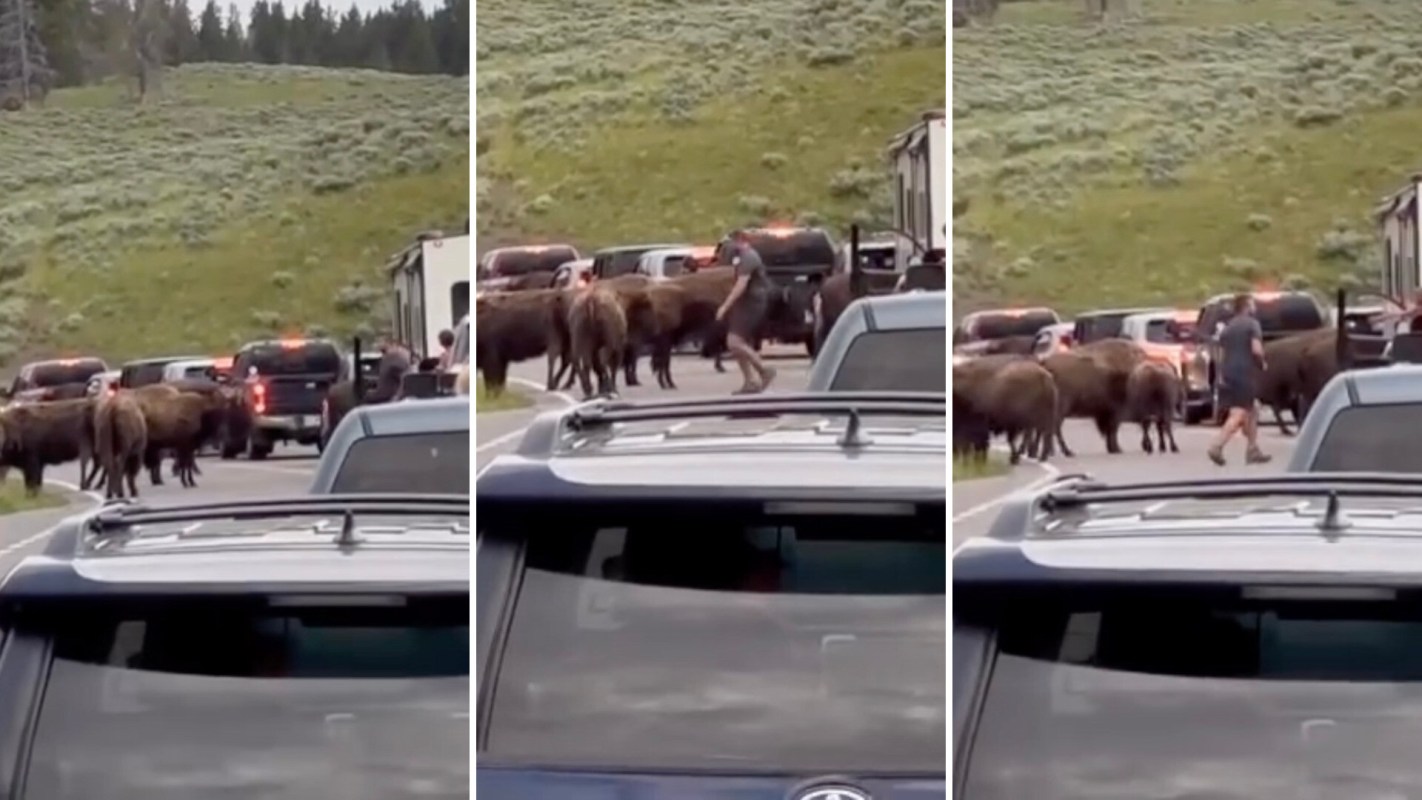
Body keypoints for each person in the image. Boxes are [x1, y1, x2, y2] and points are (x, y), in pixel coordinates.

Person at [1207, 293, 1271, 466]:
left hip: (1228, 373)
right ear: (1246, 307)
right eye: (1252, 304)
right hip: (1244, 373)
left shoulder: (1228, 328)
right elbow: (1256, 350)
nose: (1255, 307)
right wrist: (1262, 363)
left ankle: (1252, 449)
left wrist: (1220, 375)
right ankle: (1216, 446)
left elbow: (1220, 353)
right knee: (1239, 413)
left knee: (1253, 408)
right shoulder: (1252, 325)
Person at [714, 230, 778, 394]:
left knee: (734, 342)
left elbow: (741, 285)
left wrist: (725, 306)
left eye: (731, 242)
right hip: (744, 303)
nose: (728, 247)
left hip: (752, 303)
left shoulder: (749, 257)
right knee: (738, 343)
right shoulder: (741, 257)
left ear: (740, 240)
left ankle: (764, 370)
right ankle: (749, 381)